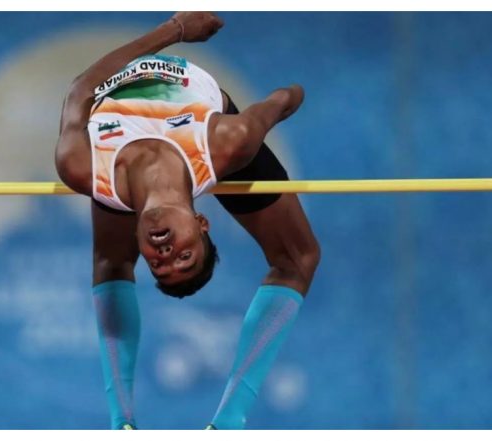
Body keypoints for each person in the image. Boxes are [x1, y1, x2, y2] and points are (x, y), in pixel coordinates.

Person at [55, 11, 320, 430]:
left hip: (120, 144)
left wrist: (174, 31)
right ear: (202, 224)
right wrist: (294, 94)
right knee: (300, 255)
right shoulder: (229, 142)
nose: (166, 253)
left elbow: (79, 90)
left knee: (110, 263)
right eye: (185, 256)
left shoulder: (83, 167)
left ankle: (120, 424)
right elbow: (277, 104)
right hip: (202, 122)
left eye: (160, 264)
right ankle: (231, 422)